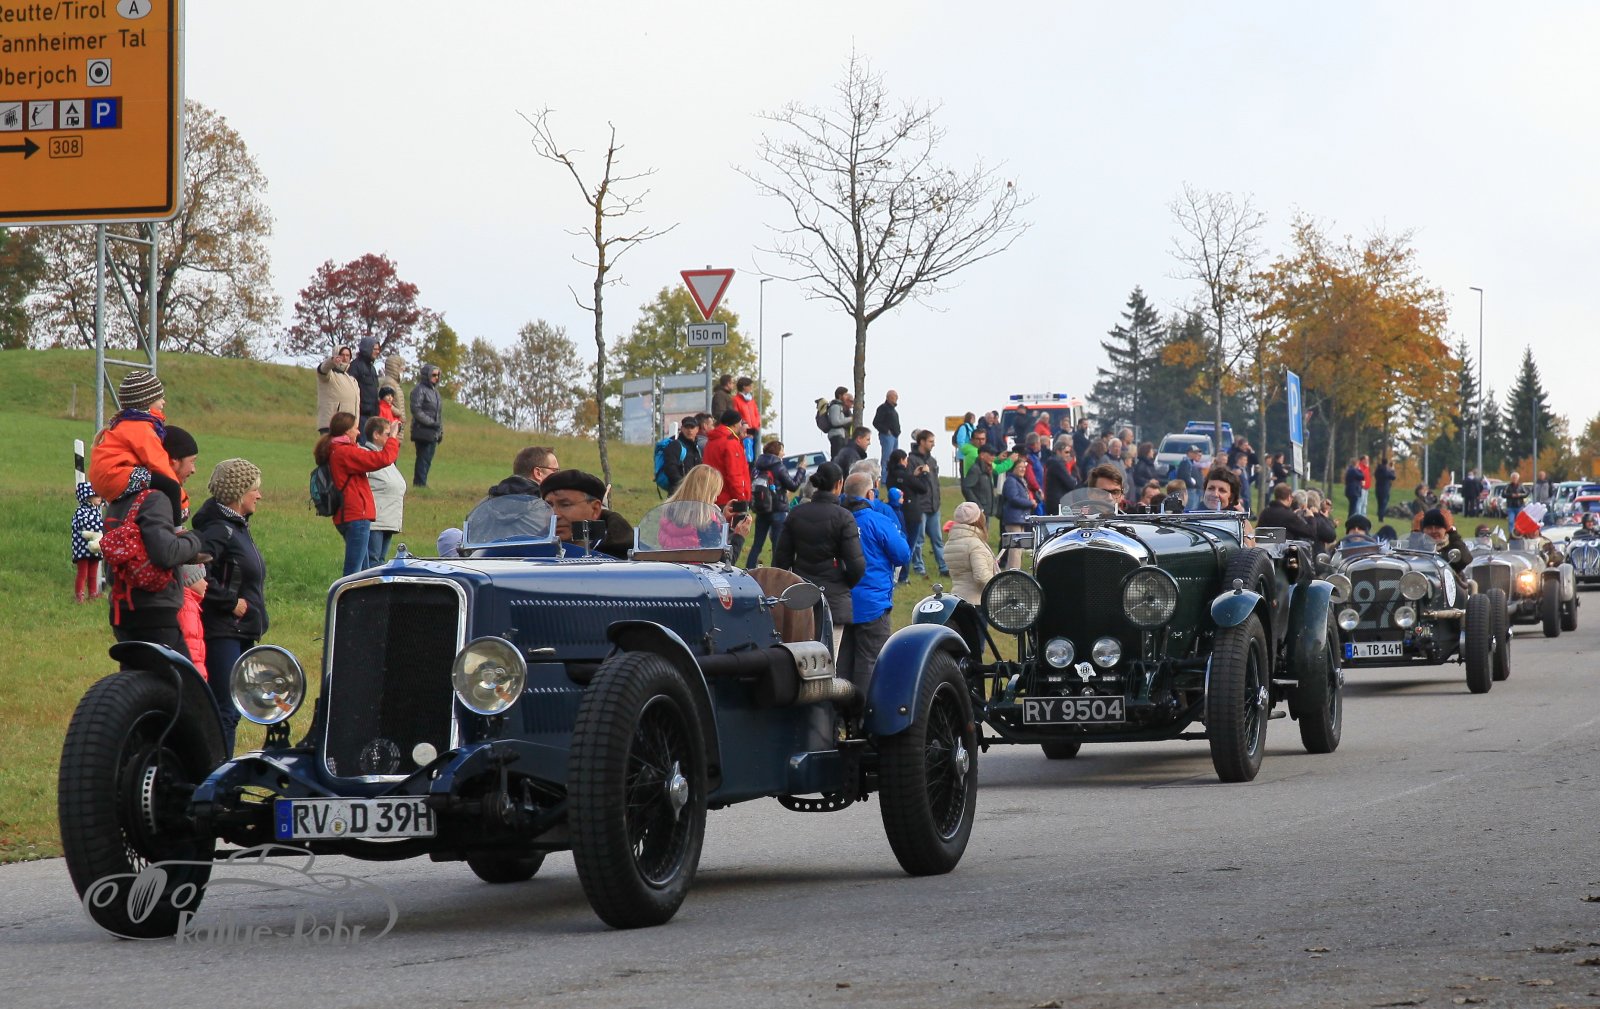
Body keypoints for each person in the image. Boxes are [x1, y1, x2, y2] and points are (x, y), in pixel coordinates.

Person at [193, 457, 267, 756]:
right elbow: (197, 573)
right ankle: (214, 774)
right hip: (224, 630)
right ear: (238, 494)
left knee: (232, 709)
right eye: (254, 489)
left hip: (238, 630)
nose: (259, 495)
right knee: (225, 709)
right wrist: (231, 602)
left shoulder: (237, 526)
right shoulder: (218, 530)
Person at [102, 466, 207, 659]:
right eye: (192, 461)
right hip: (154, 611)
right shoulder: (156, 498)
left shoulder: (118, 499)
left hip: (121, 610)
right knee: (183, 676)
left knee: (137, 675)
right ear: (174, 460)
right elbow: (166, 553)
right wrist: (194, 539)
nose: (193, 469)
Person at [773, 462, 865, 642]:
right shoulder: (844, 517)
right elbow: (856, 565)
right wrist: (844, 583)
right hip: (834, 597)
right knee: (830, 654)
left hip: (801, 596)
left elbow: (781, 561)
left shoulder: (796, 514)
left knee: (799, 655)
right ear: (839, 484)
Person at [836, 471, 910, 690]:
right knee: (871, 662)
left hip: (841, 603)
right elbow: (902, 554)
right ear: (870, 493)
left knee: (843, 662)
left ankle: (840, 708)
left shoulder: (836, 520)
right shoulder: (878, 521)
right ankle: (865, 708)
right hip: (873, 603)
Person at [88, 370, 185, 518]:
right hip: (116, 475)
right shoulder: (140, 427)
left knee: (152, 481)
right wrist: (182, 500)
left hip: (105, 478)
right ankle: (177, 526)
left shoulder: (125, 423)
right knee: (170, 486)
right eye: (159, 398)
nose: (163, 402)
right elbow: (158, 463)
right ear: (146, 401)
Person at [316, 411, 401, 577]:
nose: (359, 432)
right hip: (356, 516)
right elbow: (382, 459)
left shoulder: (338, 450)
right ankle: (346, 594)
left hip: (350, 515)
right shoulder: (345, 452)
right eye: (355, 428)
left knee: (365, 572)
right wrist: (392, 438)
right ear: (347, 431)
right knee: (354, 573)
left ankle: (363, 594)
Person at [541, 469, 633, 559]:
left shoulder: (628, 558)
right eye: (548, 506)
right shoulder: (535, 550)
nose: (555, 515)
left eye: (565, 505)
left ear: (595, 509)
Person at [660, 464, 753, 555]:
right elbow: (723, 560)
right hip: (697, 565)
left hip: (671, 564)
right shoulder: (705, 524)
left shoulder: (670, 514)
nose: (715, 499)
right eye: (714, 495)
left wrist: (722, 520)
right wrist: (739, 536)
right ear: (706, 495)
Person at [362, 416, 408, 566]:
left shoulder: (384, 457)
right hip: (375, 522)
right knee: (373, 562)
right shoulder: (367, 455)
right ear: (376, 435)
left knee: (381, 562)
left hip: (388, 520)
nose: (391, 438)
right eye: (388, 434)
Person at [748, 439, 800, 568]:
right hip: (778, 509)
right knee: (777, 546)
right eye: (782, 450)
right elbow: (793, 486)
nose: (784, 453)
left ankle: (748, 569)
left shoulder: (757, 467)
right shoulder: (779, 466)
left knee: (757, 544)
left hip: (762, 508)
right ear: (777, 452)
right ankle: (775, 572)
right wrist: (801, 471)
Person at [905, 429, 949, 578]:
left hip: (934, 506)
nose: (933, 444)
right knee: (919, 540)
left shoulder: (932, 461)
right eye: (930, 441)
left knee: (938, 539)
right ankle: (919, 567)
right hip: (920, 506)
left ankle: (944, 567)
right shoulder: (911, 460)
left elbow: (935, 483)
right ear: (922, 442)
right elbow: (909, 481)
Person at [944, 501, 997, 605]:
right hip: (977, 601)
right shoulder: (975, 544)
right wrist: (999, 587)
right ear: (978, 519)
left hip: (957, 598)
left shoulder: (950, 542)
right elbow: (981, 576)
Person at [704, 409, 754, 512]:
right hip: (729, 500)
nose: (741, 426)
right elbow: (734, 474)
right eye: (740, 423)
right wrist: (742, 498)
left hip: (713, 496)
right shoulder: (731, 443)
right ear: (735, 424)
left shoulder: (711, 441)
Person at [409, 362, 443, 487]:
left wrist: (439, 430)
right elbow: (416, 410)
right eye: (434, 375)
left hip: (432, 430)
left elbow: (438, 414)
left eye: (438, 375)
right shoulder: (419, 390)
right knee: (423, 457)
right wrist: (431, 423)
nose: (436, 377)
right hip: (422, 429)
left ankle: (422, 482)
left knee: (428, 458)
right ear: (426, 375)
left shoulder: (435, 392)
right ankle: (419, 483)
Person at [71, 481, 105, 604]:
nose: (99, 498)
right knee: (83, 572)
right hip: (82, 548)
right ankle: (79, 594)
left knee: (93, 573)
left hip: (95, 547)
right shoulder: (81, 512)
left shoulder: (96, 511)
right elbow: (86, 525)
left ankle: (92, 594)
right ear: (87, 497)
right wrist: (102, 528)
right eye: (96, 495)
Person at [999, 449, 1034, 569]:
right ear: (1013, 468)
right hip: (1013, 519)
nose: (1023, 469)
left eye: (1024, 467)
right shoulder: (1011, 481)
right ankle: (1013, 572)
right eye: (1020, 467)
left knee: (1018, 549)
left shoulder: (1019, 481)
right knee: (1015, 549)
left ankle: (1014, 571)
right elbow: (1013, 498)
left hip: (1020, 519)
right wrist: (1030, 503)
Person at [316, 345, 359, 435]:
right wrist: (331, 361)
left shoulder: (352, 379)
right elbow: (323, 369)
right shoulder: (329, 375)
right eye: (342, 355)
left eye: (348, 355)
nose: (345, 358)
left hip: (348, 426)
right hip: (331, 425)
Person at [488, 446, 558, 498]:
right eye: (555, 470)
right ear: (538, 473)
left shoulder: (490, 498)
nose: (557, 475)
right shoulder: (539, 505)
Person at [657, 417, 702, 494]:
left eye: (692, 427)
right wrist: (682, 484)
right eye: (686, 427)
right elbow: (670, 468)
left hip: (694, 491)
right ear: (682, 429)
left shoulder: (697, 448)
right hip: (678, 491)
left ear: (697, 429)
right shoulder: (675, 445)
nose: (689, 430)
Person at [1420, 508, 1471, 574]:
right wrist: (1414, 532)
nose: (1433, 531)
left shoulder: (1452, 543)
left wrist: (1453, 533)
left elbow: (1465, 559)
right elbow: (1410, 559)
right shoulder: (1419, 544)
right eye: (1429, 528)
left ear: (1445, 529)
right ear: (1423, 530)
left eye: (1438, 528)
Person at [961, 443, 998, 529]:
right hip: (978, 513)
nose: (993, 457)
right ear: (982, 455)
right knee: (978, 534)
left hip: (986, 512)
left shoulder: (987, 469)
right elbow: (966, 487)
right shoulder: (976, 469)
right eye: (991, 454)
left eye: (994, 455)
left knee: (984, 534)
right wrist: (978, 506)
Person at [350, 336, 382, 429]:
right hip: (361, 415)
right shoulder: (355, 366)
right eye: (375, 349)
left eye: (378, 349)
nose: (377, 352)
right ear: (367, 349)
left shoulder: (372, 368)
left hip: (373, 415)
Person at [734, 377, 762, 461]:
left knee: (756, 452)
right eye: (750, 386)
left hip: (755, 429)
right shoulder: (736, 400)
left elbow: (756, 413)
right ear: (744, 387)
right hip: (745, 429)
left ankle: (755, 467)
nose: (751, 388)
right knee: (749, 453)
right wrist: (744, 426)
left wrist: (757, 424)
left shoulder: (751, 400)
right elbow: (737, 415)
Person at [873, 390, 901, 471]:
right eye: (894, 397)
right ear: (889, 397)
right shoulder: (883, 408)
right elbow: (876, 422)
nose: (896, 398)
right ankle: (885, 476)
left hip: (895, 436)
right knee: (887, 458)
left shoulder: (893, 410)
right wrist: (886, 431)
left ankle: (892, 475)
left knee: (895, 458)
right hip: (887, 436)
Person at [825, 387, 854, 457]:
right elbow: (835, 422)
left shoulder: (840, 406)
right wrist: (851, 419)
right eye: (845, 395)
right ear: (840, 396)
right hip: (836, 435)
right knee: (837, 457)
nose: (846, 396)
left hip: (840, 435)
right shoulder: (835, 406)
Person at [1175, 444, 1204, 511]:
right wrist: (1193, 485)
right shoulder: (1186, 462)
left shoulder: (1190, 463)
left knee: (1194, 508)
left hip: (1194, 490)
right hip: (1190, 490)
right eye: (1195, 453)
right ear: (1189, 453)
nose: (1197, 454)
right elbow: (1186, 477)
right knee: (1190, 509)